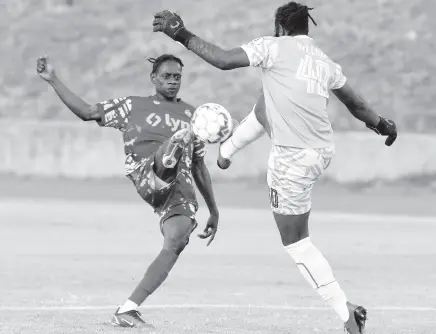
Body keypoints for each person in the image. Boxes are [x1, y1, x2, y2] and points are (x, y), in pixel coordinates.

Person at [152, 3, 398, 334]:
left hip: (291, 162)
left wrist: (179, 33)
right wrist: (383, 126)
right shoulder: (324, 62)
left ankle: (347, 313)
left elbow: (223, 60)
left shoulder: (273, 47)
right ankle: (228, 149)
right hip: (322, 152)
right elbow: (357, 105)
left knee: (296, 242)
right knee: (268, 97)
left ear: (280, 27)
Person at [36, 54, 220, 330]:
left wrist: (214, 210)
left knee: (177, 240)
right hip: (147, 173)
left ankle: (128, 310)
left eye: (177, 77)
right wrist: (53, 80)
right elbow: (87, 112)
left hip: (178, 190)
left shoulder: (193, 115)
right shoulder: (133, 106)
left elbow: (199, 166)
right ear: (153, 78)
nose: (172, 81)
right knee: (180, 139)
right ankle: (168, 156)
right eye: (167, 76)